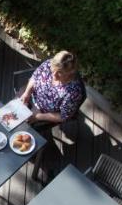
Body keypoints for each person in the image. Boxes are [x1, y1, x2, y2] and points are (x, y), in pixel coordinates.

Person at [19, 50, 87, 179]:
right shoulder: (49, 64)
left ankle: (34, 156)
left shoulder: (73, 91)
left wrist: (38, 116)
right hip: (32, 97)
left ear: (70, 74)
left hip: (46, 114)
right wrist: (27, 93)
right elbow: (34, 77)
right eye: (53, 69)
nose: (54, 74)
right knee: (12, 113)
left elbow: (63, 116)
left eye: (59, 73)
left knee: (24, 128)